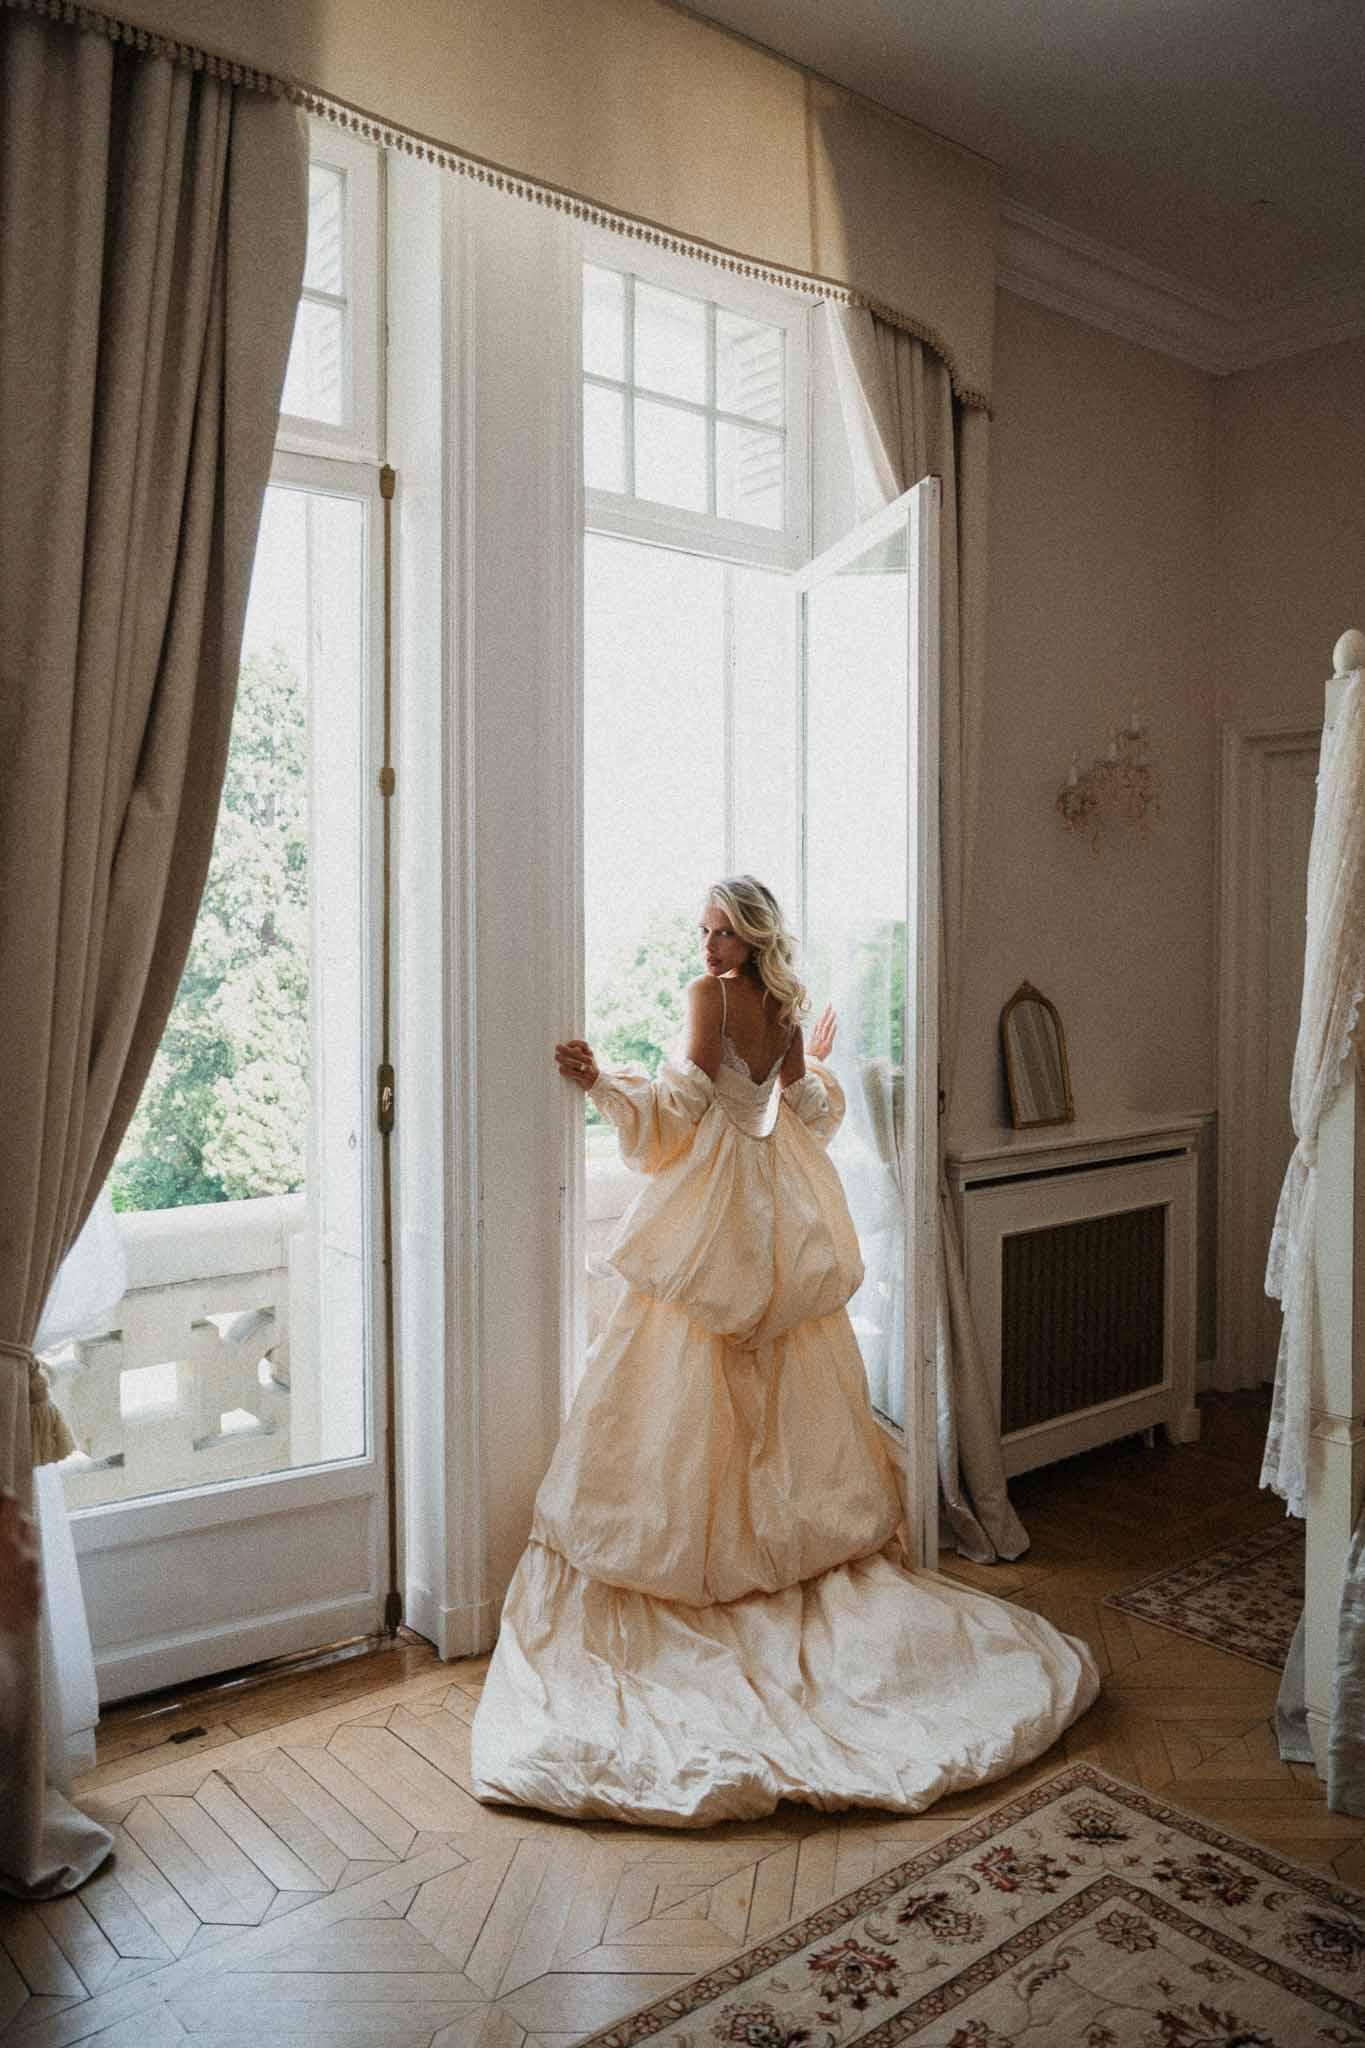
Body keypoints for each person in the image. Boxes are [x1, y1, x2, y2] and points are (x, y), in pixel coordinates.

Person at [470, 876, 1098, 1826]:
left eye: (719, 930)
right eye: (704, 930)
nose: (707, 943)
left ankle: (709, 1561)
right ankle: (768, 1544)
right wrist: (803, 1066)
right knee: (763, 1370)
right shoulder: (781, 1006)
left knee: (683, 1372)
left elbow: (677, 1114)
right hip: (775, 1198)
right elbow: (805, 1113)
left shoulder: (707, 997)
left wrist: (602, 1082)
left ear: (748, 935)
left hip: (721, 1199)